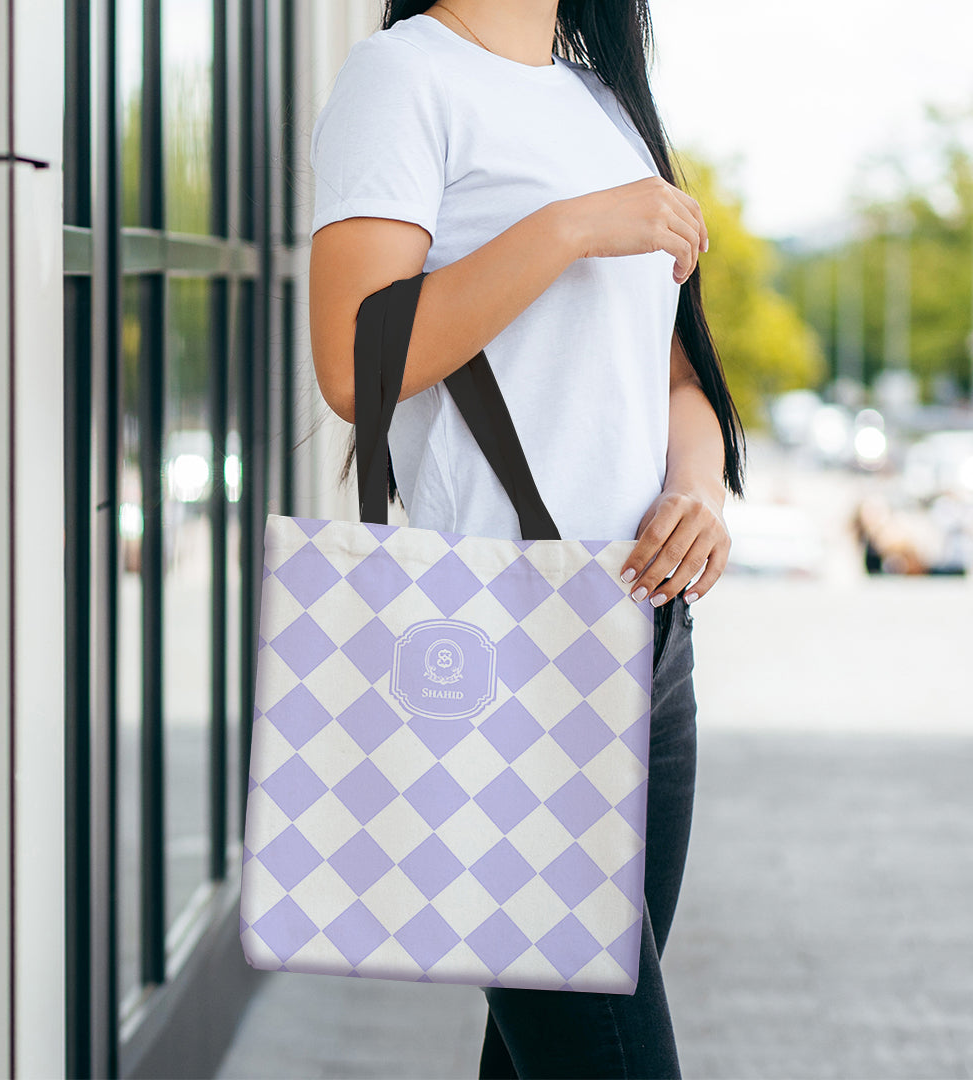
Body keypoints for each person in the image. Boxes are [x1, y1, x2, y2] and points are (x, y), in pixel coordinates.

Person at [307, 1, 745, 1076]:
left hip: (647, 635)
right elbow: (351, 361)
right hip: (496, 659)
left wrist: (696, 491)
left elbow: (677, 374)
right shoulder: (401, 78)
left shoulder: (604, 103)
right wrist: (566, 230)